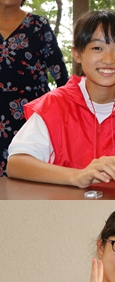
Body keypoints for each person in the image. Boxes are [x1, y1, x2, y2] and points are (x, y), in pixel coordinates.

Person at [7, 10, 115, 188]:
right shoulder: (53, 105)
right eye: (97, 48)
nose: (109, 59)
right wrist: (77, 176)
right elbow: (16, 164)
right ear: (77, 54)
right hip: (64, 204)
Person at [0, 0, 68, 176]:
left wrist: (71, 110)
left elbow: (59, 71)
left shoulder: (38, 25)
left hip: (30, 117)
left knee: (29, 175)